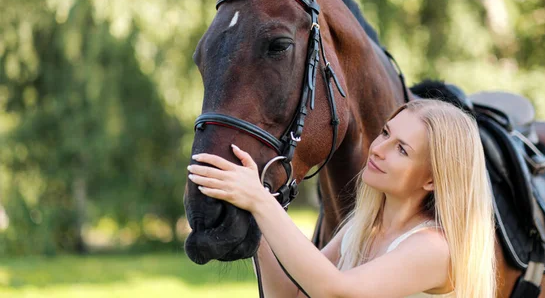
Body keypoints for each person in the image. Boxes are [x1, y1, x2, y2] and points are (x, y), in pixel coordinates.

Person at [187, 99, 496, 297]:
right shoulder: (363, 227)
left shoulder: (432, 248)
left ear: (432, 179)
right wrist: (254, 209)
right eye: (386, 133)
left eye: (401, 149)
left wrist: (260, 202)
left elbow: (336, 292)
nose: (378, 149)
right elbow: (289, 294)